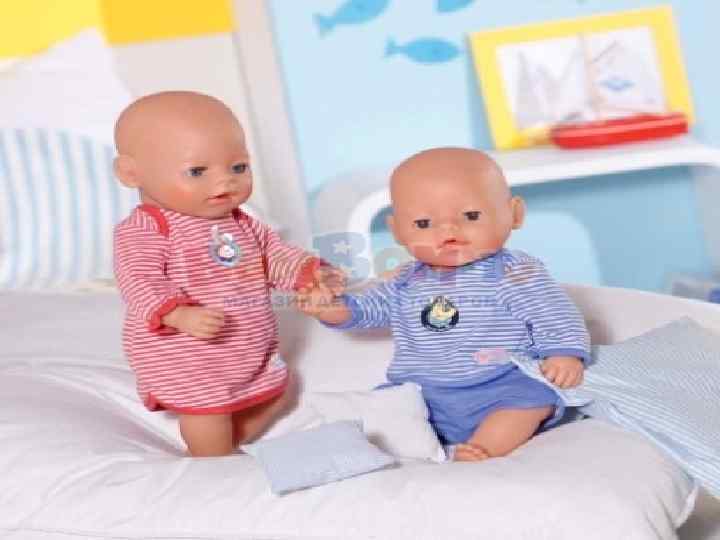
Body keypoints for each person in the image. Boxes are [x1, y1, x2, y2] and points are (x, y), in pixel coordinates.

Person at [299, 147, 590, 461]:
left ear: (514, 214)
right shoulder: (404, 281)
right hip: (422, 391)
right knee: (382, 412)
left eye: (471, 216)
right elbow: (366, 310)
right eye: (424, 223)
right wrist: (330, 308)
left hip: (500, 382)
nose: (448, 231)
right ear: (397, 231)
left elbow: (552, 312)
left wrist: (563, 353)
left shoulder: (514, 272)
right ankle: (386, 452)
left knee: (531, 401)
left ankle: (482, 449)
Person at [113, 91, 341, 457]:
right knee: (208, 410)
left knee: (278, 390)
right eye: (197, 171)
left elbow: (273, 255)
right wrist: (177, 313)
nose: (225, 182)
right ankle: (213, 461)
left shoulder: (240, 222)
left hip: (246, 345)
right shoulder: (148, 228)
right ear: (131, 173)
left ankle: (235, 441)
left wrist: (310, 274)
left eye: (238, 167)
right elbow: (138, 279)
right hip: (187, 350)